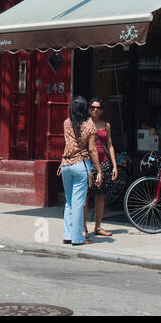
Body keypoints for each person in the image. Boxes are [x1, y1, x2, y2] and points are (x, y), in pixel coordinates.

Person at [60, 96, 100, 246]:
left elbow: (67, 144)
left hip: (66, 165)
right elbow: (92, 149)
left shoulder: (66, 123)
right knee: (78, 203)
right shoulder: (89, 125)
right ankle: (77, 238)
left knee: (69, 202)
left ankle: (67, 235)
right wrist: (99, 170)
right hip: (81, 165)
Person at [85, 97, 120, 237]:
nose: (94, 110)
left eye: (97, 108)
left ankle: (98, 226)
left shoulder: (106, 125)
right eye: (92, 107)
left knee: (101, 195)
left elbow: (110, 145)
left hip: (104, 162)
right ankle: (83, 227)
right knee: (86, 195)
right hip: (89, 163)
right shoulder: (85, 124)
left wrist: (115, 165)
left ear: (102, 110)